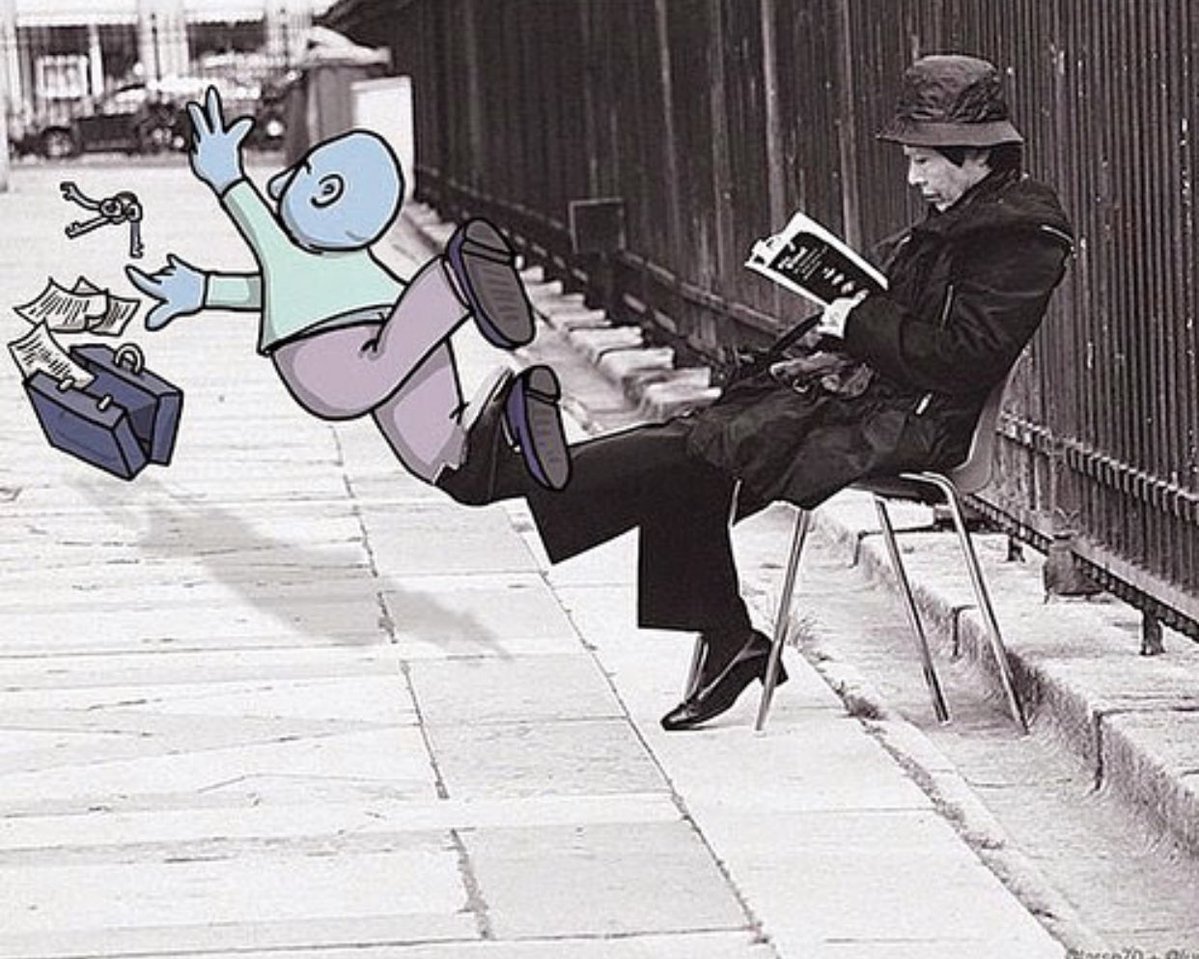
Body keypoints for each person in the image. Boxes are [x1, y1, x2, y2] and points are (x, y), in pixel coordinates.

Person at [445, 53, 1075, 731]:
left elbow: (966, 358)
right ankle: (725, 637)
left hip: (922, 423)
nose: (912, 176)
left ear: (973, 155)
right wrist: (843, 306)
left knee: (698, 448)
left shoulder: (1021, 238)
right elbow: (911, 318)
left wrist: (858, 321)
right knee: (698, 449)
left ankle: (508, 480)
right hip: (879, 399)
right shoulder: (963, 217)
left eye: (923, 160)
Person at [128, 86, 570, 493]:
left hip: (326, 357)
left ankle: (455, 283)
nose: (278, 186)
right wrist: (204, 290)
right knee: (436, 437)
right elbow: (268, 290)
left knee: (380, 367)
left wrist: (228, 178)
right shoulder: (332, 267)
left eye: (299, 174)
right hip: (393, 320)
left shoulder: (288, 257)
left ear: (325, 192)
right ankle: (504, 423)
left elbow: (263, 234)